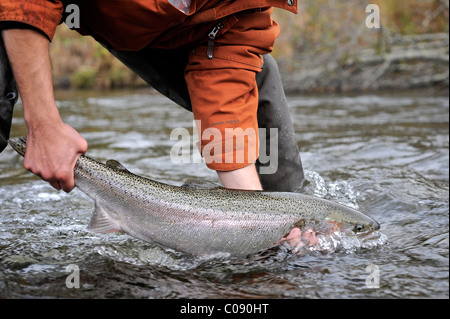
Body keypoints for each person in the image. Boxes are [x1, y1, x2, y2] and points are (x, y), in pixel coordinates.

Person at [1, 1, 311, 245]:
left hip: (174, 29)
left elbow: (227, 77)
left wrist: (253, 221)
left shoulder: (247, 7)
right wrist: (43, 124)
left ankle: (287, 239)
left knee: (257, 81)